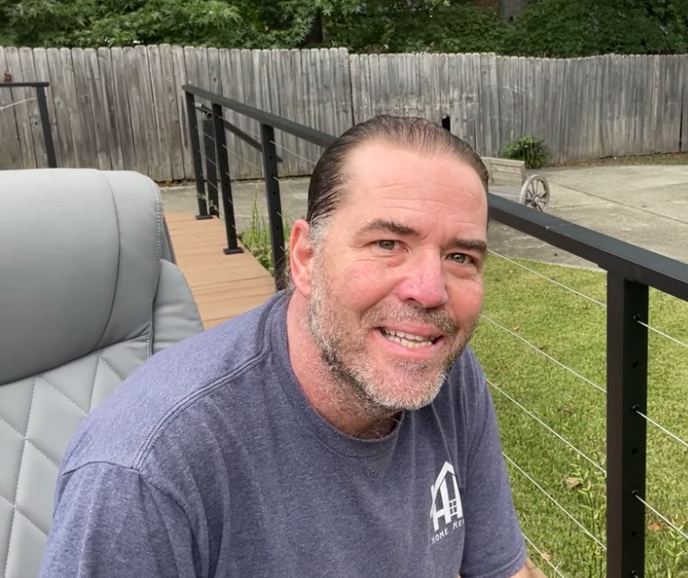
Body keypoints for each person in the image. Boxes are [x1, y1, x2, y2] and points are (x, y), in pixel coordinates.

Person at [39, 116, 547, 578]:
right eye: (387, 244)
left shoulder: (445, 372)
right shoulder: (147, 473)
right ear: (305, 257)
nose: (430, 291)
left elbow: (503, 571)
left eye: (461, 256)